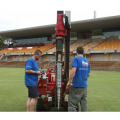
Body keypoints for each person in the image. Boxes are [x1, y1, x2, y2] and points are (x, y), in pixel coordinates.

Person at [66, 46, 90, 112]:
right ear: (83, 52)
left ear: (76, 52)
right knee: (84, 104)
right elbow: (88, 74)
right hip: (84, 86)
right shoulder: (87, 61)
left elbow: (73, 70)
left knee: (72, 105)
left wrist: (69, 81)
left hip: (77, 85)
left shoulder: (76, 59)